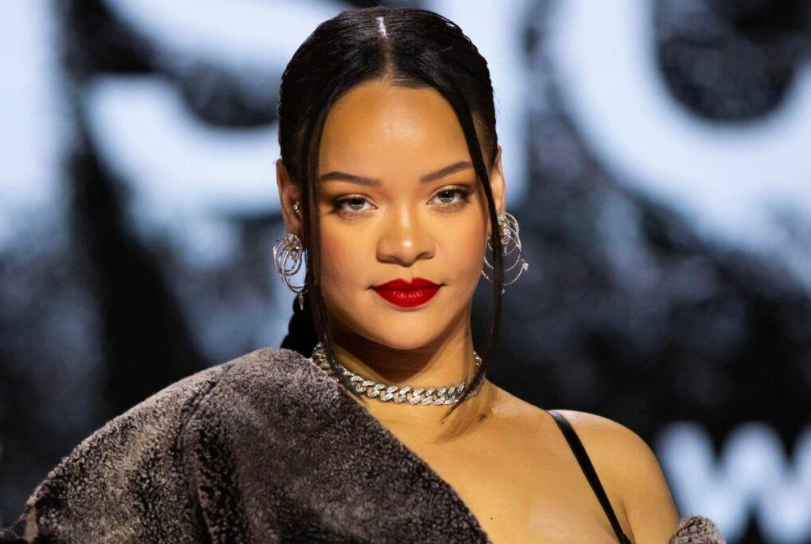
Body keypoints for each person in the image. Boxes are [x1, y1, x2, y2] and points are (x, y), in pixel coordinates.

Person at [0, 6, 725, 543]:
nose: (405, 243)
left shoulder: (607, 467)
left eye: (447, 194)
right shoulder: (198, 453)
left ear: (495, 189)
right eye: (355, 202)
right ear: (294, 204)